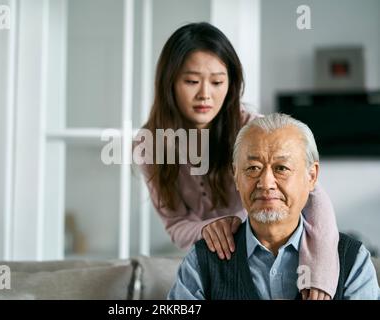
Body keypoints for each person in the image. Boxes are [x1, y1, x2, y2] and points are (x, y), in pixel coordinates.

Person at [134, 22, 338, 299]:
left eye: (217, 82)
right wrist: (210, 228)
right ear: (169, 82)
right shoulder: (148, 145)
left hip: (272, 245)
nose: (205, 94)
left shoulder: (253, 130)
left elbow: (314, 196)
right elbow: (176, 224)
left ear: (231, 84)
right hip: (212, 255)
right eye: (192, 81)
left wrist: (320, 270)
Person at [168, 113, 380, 300]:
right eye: (253, 168)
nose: (266, 183)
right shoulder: (203, 261)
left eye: (281, 168)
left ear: (312, 176)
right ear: (236, 176)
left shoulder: (352, 260)